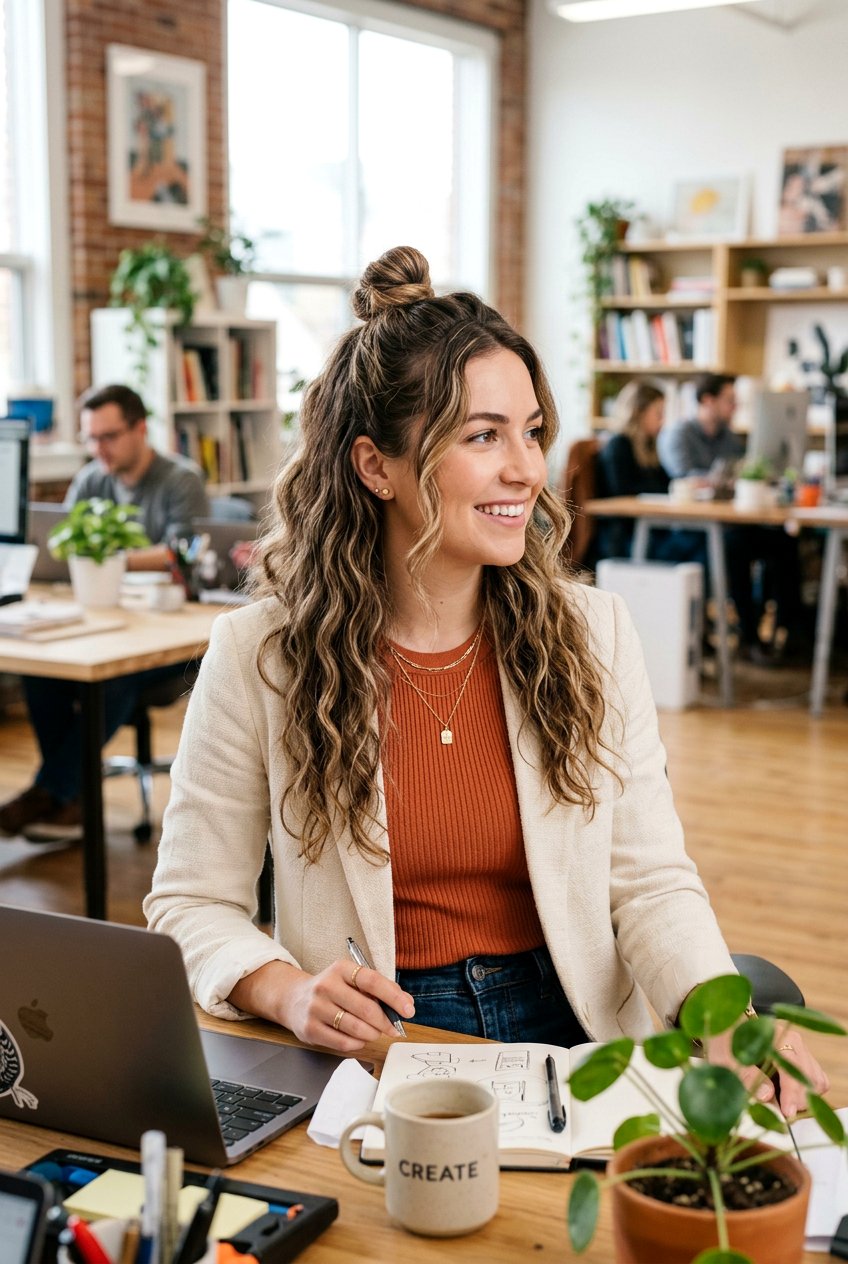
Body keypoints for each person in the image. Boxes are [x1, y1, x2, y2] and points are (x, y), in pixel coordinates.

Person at [144, 246, 824, 1114]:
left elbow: (649, 881)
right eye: (482, 436)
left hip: (570, 1031)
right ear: (374, 466)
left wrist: (723, 1016)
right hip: (377, 1046)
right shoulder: (260, 656)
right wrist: (285, 990)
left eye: (531, 431)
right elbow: (191, 902)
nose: (526, 469)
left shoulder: (593, 633)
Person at [0, 384, 209, 842]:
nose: (99, 449)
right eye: (91, 439)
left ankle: (51, 792)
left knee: (110, 680)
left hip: (174, 634)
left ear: (140, 428)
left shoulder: (180, 479)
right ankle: (68, 798)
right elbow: (66, 540)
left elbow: (183, 553)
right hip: (107, 619)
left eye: (109, 436)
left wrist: (108, 559)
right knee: (44, 673)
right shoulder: (93, 478)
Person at [658, 374, 803, 658]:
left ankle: (791, 632)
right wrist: (723, 481)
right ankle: (749, 637)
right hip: (688, 528)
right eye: (729, 401)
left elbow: (736, 477)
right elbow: (685, 480)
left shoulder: (729, 438)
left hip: (727, 524)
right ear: (707, 400)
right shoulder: (678, 434)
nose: (734, 407)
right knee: (734, 548)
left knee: (783, 542)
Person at [596, 380, 704, 568]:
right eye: (659, 413)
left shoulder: (649, 448)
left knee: (702, 539)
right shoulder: (618, 445)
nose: (663, 421)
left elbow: (665, 484)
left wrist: (686, 486)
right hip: (627, 537)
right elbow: (624, 491)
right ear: (639, 411)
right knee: (699, 543)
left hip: (649, 530)